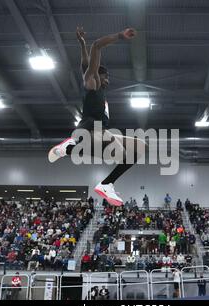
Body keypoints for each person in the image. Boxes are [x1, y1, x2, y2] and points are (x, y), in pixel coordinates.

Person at [48, 26, 144, 207]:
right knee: (121, 155)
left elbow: (85, 63)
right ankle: (71, 146)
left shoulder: (98, 89)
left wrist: (81, 44)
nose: (108, 80)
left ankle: (72, 153)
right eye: (106, 76)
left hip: (101, 131)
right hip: (91, 131)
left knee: (140, 146)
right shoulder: (91, 84)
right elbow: (97, 47)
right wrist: (119, 35)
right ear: (97, 75)